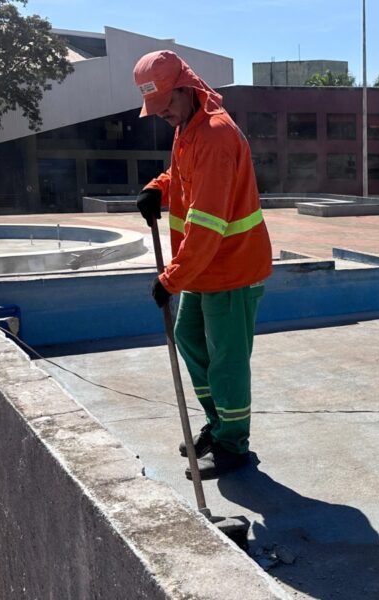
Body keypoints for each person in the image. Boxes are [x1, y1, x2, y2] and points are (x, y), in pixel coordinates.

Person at [132, 50, 273, 479]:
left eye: (166, 105)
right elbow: (183, 175)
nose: (163, 115)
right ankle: (220, 425)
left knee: (227, 360)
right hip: (207, 269)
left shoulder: (214, 135)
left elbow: (208, 228)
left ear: (185, 87)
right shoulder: (189, 129)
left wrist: (171, 280)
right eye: (156, 109)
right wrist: (159, 188)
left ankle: (233, 445)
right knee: (190, 337)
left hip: (232, 269)